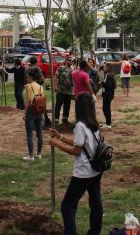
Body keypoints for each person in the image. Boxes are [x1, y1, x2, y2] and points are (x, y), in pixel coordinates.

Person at [49, 94, 104, 235]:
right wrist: (60, 136)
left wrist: (56, 144)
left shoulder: (80, 125)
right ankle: (95, 231)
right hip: (96, 170)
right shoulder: (93, 123)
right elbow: (80, 143)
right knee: (95, 202)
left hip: (83, 172)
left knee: (67, 205)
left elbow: (76, 150)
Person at [22, 68, 44, 161]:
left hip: (31, 109)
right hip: (39, 110)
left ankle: (31, 155)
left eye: (27, 77)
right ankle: (39, 154)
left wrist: (25, 113)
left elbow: (28, 101)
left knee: (29, 133)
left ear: (31, 77)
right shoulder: (40, 87)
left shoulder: (28, 86)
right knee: (39, 133)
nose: (26, 79)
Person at [54, 58, 74, 123]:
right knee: (58, 104)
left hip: (69, 91)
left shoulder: (72, 70)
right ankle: (56, 119)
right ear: (66, 61)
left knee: (67, 105)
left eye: (72, 61)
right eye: (69, 60)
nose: (71, 62)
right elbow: (56, 77)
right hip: (60, 90)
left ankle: (65, 118)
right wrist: (55, 86)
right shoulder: (61, 68)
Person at [101, 64, 116, 128]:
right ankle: (109, 122)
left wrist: (102, 83)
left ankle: (108, 124)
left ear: (108, 68)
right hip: (108, 94)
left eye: (105, 67)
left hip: (108, 94)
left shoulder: (109, 76)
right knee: (107, 109)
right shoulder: (108, 75)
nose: (103, 68)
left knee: (105, 109)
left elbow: (109, 86)